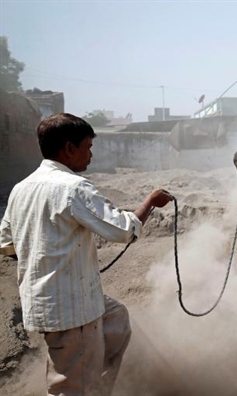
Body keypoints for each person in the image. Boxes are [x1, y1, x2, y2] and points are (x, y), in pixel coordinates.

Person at [0, 113, 173, 396]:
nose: (91, 155)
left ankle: (94, 385)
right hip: (71, 311)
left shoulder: (21, 189)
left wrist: (45, 260)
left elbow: (6, 244)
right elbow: (123, 231)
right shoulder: (74, 189)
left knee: (116, 320)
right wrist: (151, 202)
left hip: (51, 300)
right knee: (69, 388)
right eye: (88, 147)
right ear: (69, 149)